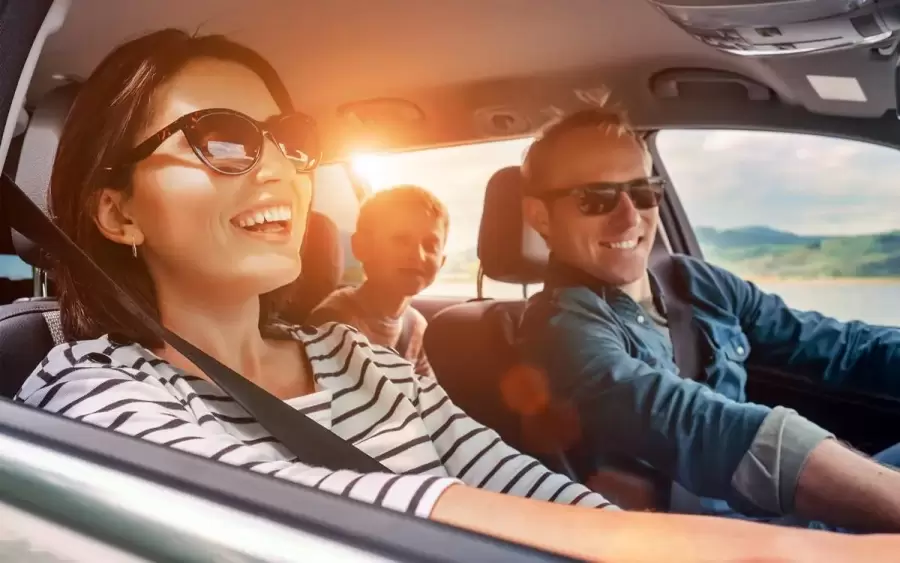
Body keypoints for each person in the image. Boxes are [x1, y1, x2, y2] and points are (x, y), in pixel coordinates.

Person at [13, 29, 900, 561]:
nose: (282, 167)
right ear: (117, 210)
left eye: (287, 139)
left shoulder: (355, 355)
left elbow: (521, 485)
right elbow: (336, 515)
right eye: (221, 140)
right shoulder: (91, 391)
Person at [517, 107, 900, 533]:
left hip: (783, 512)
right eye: (595, 198)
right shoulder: (558, 332)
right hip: (727, 540)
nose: (630, 217)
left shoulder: (695, 283)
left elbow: (837, 346)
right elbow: (697, 426)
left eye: (643, 192)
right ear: (540, 217)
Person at [308, 185, 444, 377]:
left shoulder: (415, 325)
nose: (418, 255)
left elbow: (427, 395)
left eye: (430, 245)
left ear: (443, 261)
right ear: (361, 247)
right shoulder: (334, 321)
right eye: (401, 240)